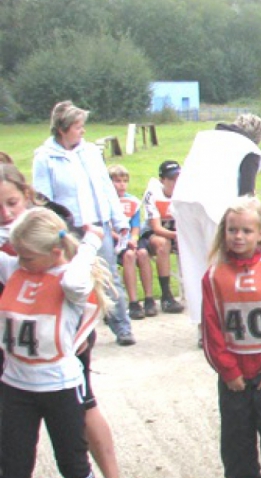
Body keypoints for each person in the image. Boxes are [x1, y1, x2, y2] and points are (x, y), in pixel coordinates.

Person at [0, 166, 122, 478]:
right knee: (14, 465)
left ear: (54, 253)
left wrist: (90, 243)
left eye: (27, 258)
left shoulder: (69, 281)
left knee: (73, 465)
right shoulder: (17, 268)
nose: (20, 262)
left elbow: (76, 279)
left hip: (60, 386)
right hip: (16, 385)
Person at [201, 196, 261, 478]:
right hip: (234, 374)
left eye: (246, 231)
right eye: (232, 230)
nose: (238, 236)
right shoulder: (214, 275)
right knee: (236, 437)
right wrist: (228, 370)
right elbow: (211, 327)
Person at [32, 101, 135, 346]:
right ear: (62, 129)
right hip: (69, 230)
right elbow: (43, 200)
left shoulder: (90, 152)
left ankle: (121, 325)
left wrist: (118, 220)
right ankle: (76, 331)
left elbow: (105, 187)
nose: (83, 131)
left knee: (109, 276)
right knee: (69, 278)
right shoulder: (45, 158)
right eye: (78, 127)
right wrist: (68, 225)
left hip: (98, 225)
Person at [175, 113, 261, 345]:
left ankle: (202, 327)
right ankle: (225, 323)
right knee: (222, 265)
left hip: (184, 201)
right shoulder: (249, 149)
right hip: (216, 206)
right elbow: (246, 192)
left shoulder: (205, 137)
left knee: (194, 264)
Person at [108, 165, 157, 320]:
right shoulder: (106, 201)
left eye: (124, 181)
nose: (122, 184)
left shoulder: (132, 201)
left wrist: (134, 239)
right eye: (117, 181)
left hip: (130, 239)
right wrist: (122, 239)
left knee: (142, 253)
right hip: (115, 241)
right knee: (129, 256)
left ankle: (149, 299)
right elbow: (108, 227)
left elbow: (135, 226)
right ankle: (133, 301)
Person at [140, 160, 186, 315]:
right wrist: (179, 235)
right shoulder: (153, 193)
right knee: (162, 243)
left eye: (178, 178)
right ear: (162, 180)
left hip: (178, 232)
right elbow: (156, 228)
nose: (175, 182)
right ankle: (166, 295)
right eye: (171, 179)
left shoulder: (186, 192)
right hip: (156, 234)